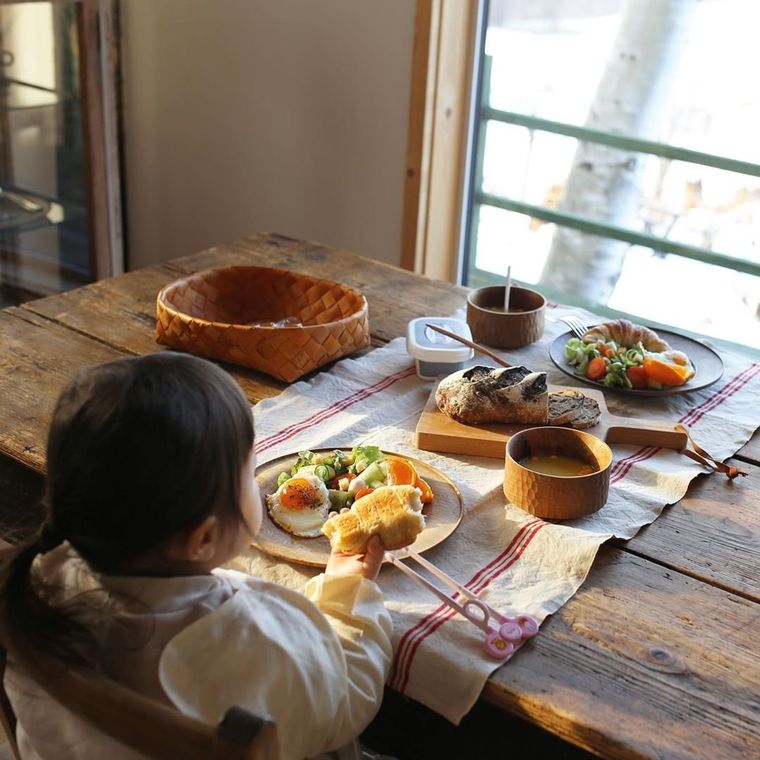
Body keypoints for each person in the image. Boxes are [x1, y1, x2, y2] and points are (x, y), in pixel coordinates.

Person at [0, 352, 392, 760]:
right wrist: (350, 593)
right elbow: (345, 701)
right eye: (248, 471)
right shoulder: (253, 637)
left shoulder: (34, 578)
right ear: (203, 540)